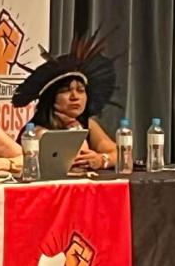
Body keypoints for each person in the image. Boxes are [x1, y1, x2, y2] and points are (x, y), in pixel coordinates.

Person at [12, 32, 119, 169]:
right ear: (51, 98)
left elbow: (122, 154)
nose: (75, 96)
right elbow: (75, 157)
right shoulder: (37, 132)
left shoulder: (89, 124)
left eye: (80, 90)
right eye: (66, 90)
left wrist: (102, 159)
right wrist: (73, 126)